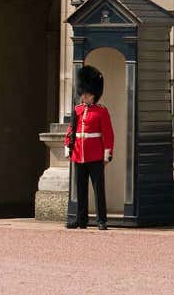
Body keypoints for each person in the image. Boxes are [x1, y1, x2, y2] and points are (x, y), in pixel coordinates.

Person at [64, 65, 114, 230]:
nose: (83, 97)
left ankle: (101, 220)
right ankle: (81, 219)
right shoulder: (77, 110)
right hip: (79, 153)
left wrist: (107, 153)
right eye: (83, 94)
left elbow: (107, 133)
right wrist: (67, 145)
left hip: (95, 155)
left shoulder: (101, 112)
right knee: (81, 189)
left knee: (98, 189)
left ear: (93, 95)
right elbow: (72, 130)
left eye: (86, 94)